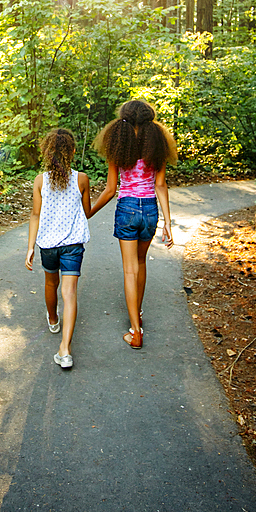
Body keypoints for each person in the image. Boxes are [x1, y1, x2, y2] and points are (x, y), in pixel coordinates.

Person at [88, 99, 177, 349]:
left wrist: (89, 213)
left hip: (127, 209)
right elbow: (160, 185)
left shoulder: (119, 148)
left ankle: (135, 332)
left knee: (129, 270)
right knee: (140, 263)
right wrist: (168, 223)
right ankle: (137, 315)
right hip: (149, 210)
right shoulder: (156, 148)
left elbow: (109, 190)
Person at [25, 129, 92, 370]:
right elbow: (86, 212)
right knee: (70, 292)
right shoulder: (81, 179)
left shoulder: (40, 180)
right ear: (72, 152)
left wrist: (30, 247)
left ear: (46, 153)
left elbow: (35, 215)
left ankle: (53, 320)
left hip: (48, 245)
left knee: (50, 283)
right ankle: (65, 350)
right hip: (73, 245)